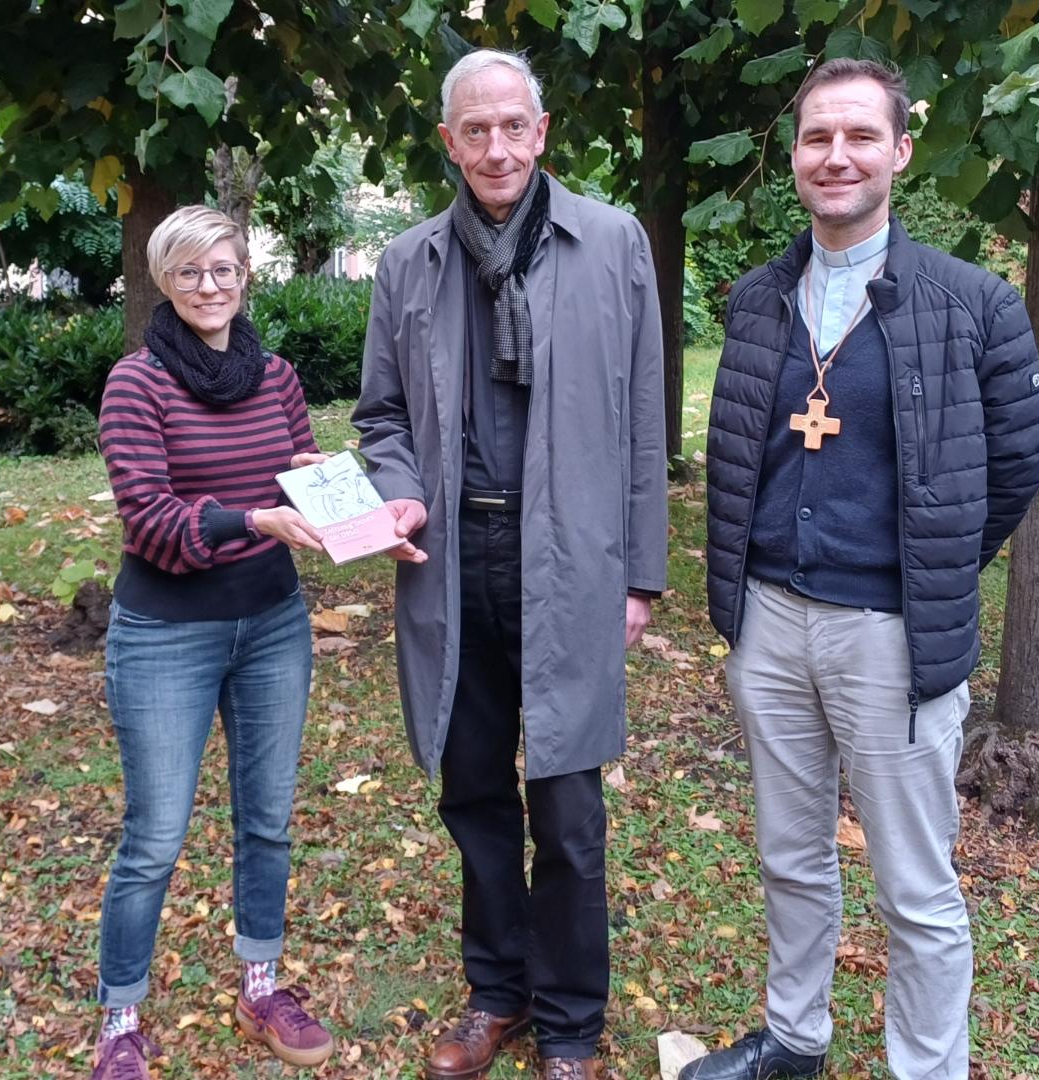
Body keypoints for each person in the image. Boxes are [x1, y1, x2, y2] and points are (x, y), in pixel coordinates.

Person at [685, 59, 1039, 1080]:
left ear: (898, 151)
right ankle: (794, 1039)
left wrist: (931, 572)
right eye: (814, 138)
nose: (834, 155)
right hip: (768, 623)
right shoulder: (759, 300)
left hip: (890, 633)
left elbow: (1018, 466)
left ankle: (926, 1069)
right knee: (790, 856)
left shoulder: (972, 303)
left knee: (914, 887)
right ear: (794, 157)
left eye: (856, 136)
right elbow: (742, 449)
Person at [350, 47, 668, 1080]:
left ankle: (572, 1022)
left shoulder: (613, 243)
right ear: (448, 141)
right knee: (473, 788)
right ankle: (497, 993)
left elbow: (641, 419)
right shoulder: (408, 264)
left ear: (542, 133)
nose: (495, 146)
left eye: (512, 126)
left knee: (567, 807)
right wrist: (395, 482)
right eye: (473, 130)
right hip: (451, 559)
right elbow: (382, 414)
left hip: (571, 560)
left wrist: (640, 573)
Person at [90, 206, 336, 1079]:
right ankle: (120, 1020)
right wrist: (256, 516)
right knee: (155, 835)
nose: (210, 286)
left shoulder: (275, 375)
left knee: (266, 821)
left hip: (272, 623)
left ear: (245, 275)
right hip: (166, 632)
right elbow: (150, 521)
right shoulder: (137, 383)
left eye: (224, 269)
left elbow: (302, 465)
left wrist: (343, 500)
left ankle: (261, 981)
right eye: (191, 272)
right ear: (164, 280)